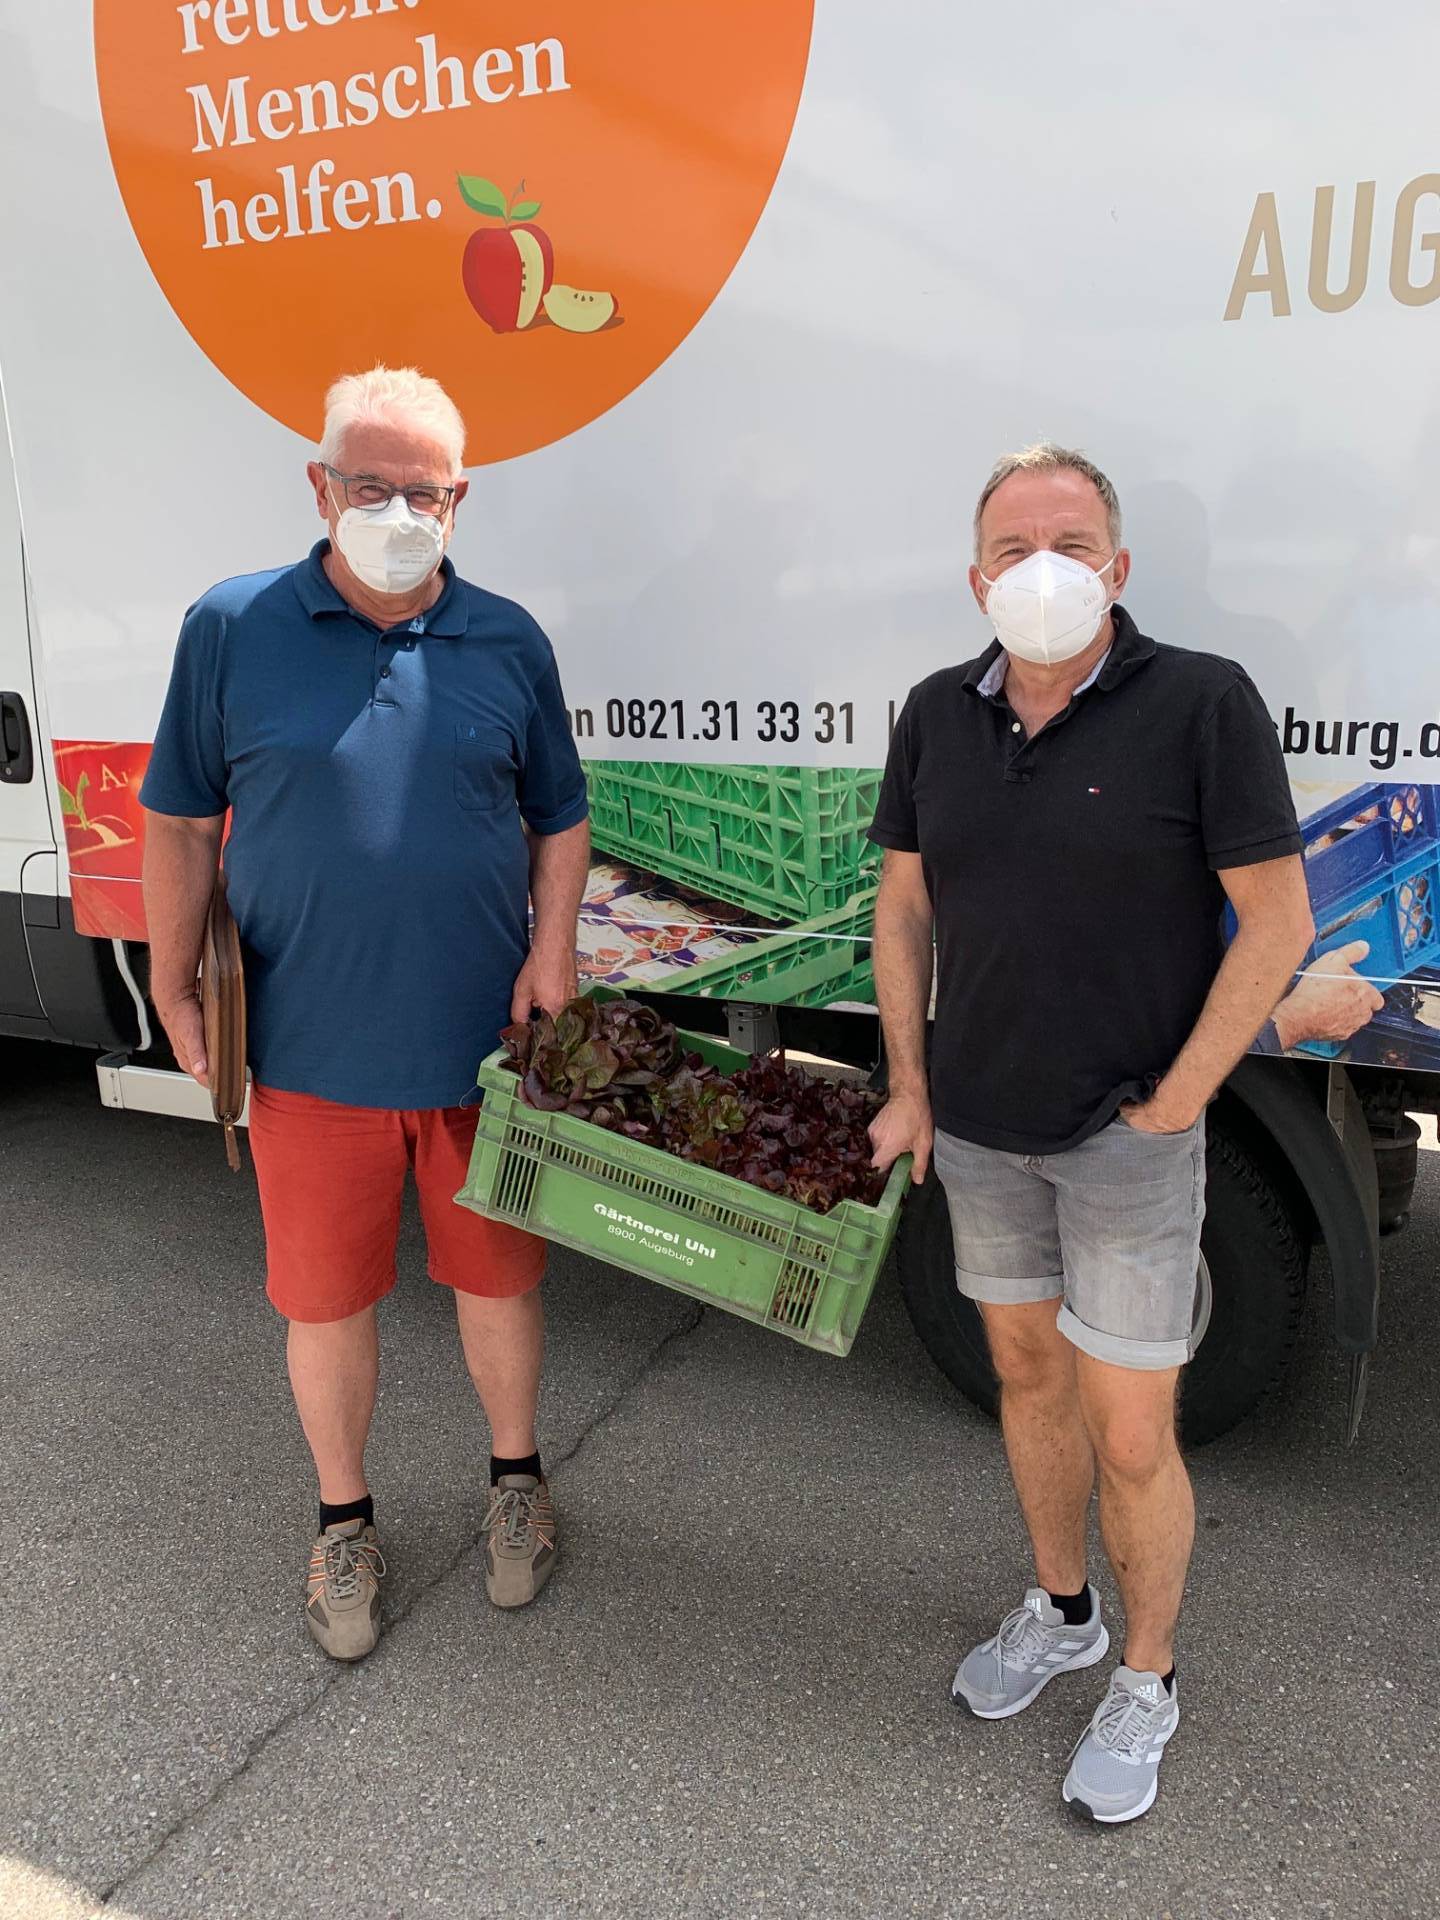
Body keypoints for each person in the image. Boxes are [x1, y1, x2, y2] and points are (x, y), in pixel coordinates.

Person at [866, 443, 1314, 1823]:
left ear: (1118, 568)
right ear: (976, 579)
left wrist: (1179, 1101)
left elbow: (1279, 923)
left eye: (1069, 543)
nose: (1041, 568)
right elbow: (903, 908)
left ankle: (1148, 1673)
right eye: (1014, 548)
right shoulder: (936, 714)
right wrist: (910, 1084)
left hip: (1128, 1143)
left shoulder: (1201, 703)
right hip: (982, 1130)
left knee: (1131, 1434)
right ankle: (1062, 1613)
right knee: (1025, 1378)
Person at [141, 366, 590, 1660]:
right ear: (319, 486)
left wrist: (551, 954)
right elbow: (180, 821)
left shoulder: (508, 640)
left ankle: (518, 1482)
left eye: (424, 492)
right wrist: (172, 982)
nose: (399, 511)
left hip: (482, 1055)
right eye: (370, 485)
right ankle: (343, 1519)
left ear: (461, 501)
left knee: (499, 1282)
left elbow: (559, 817)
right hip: (304, 1053)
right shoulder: (233, 627)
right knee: (326, 1303)